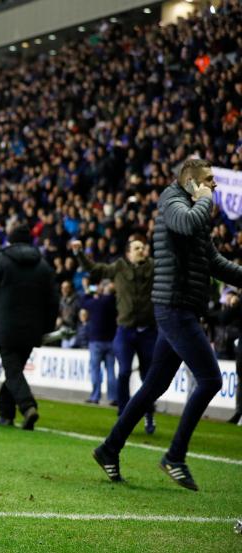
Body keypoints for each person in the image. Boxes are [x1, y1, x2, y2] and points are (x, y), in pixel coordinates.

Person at [93, 159, 242, 491]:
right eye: (208, 180)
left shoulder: (192, 209)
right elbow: (188, 224)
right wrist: (204, 198)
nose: (214, 185)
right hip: (174, 309)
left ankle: (108, 448)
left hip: (180, 308)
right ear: (190, 182)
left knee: (152, 386)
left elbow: (213, 261)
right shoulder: (173, 203)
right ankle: (175, 456)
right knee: (210, 379)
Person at [0, 223, 59, 430]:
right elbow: (53, 301)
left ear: (9, 239)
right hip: (33, 329)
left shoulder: (1, 260)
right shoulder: (43, 265)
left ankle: (28, 407)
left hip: (5, 326)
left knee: (13, 370)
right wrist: (47, 327)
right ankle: (5, 414)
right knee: (15, 369)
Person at [72, 235, 157, 433]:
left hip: (147, 331)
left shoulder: (153, 267)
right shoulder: (118, 267)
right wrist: (79, 254)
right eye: (137, 248)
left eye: (143, 248)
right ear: (128, 253)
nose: (141, 251)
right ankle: (123, 416)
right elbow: (94, 269)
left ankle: (149, 413)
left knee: (149, 376)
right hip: (125, 330)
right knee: (124, 371)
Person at [80, 280, 118, 405]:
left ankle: (95, 396)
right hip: (111, 341)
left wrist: (88, 291)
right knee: (111, 371)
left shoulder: (97, 302)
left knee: (96, 370)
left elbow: (84, 303)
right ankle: (113, 398)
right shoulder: (115, 302)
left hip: (96, 341)